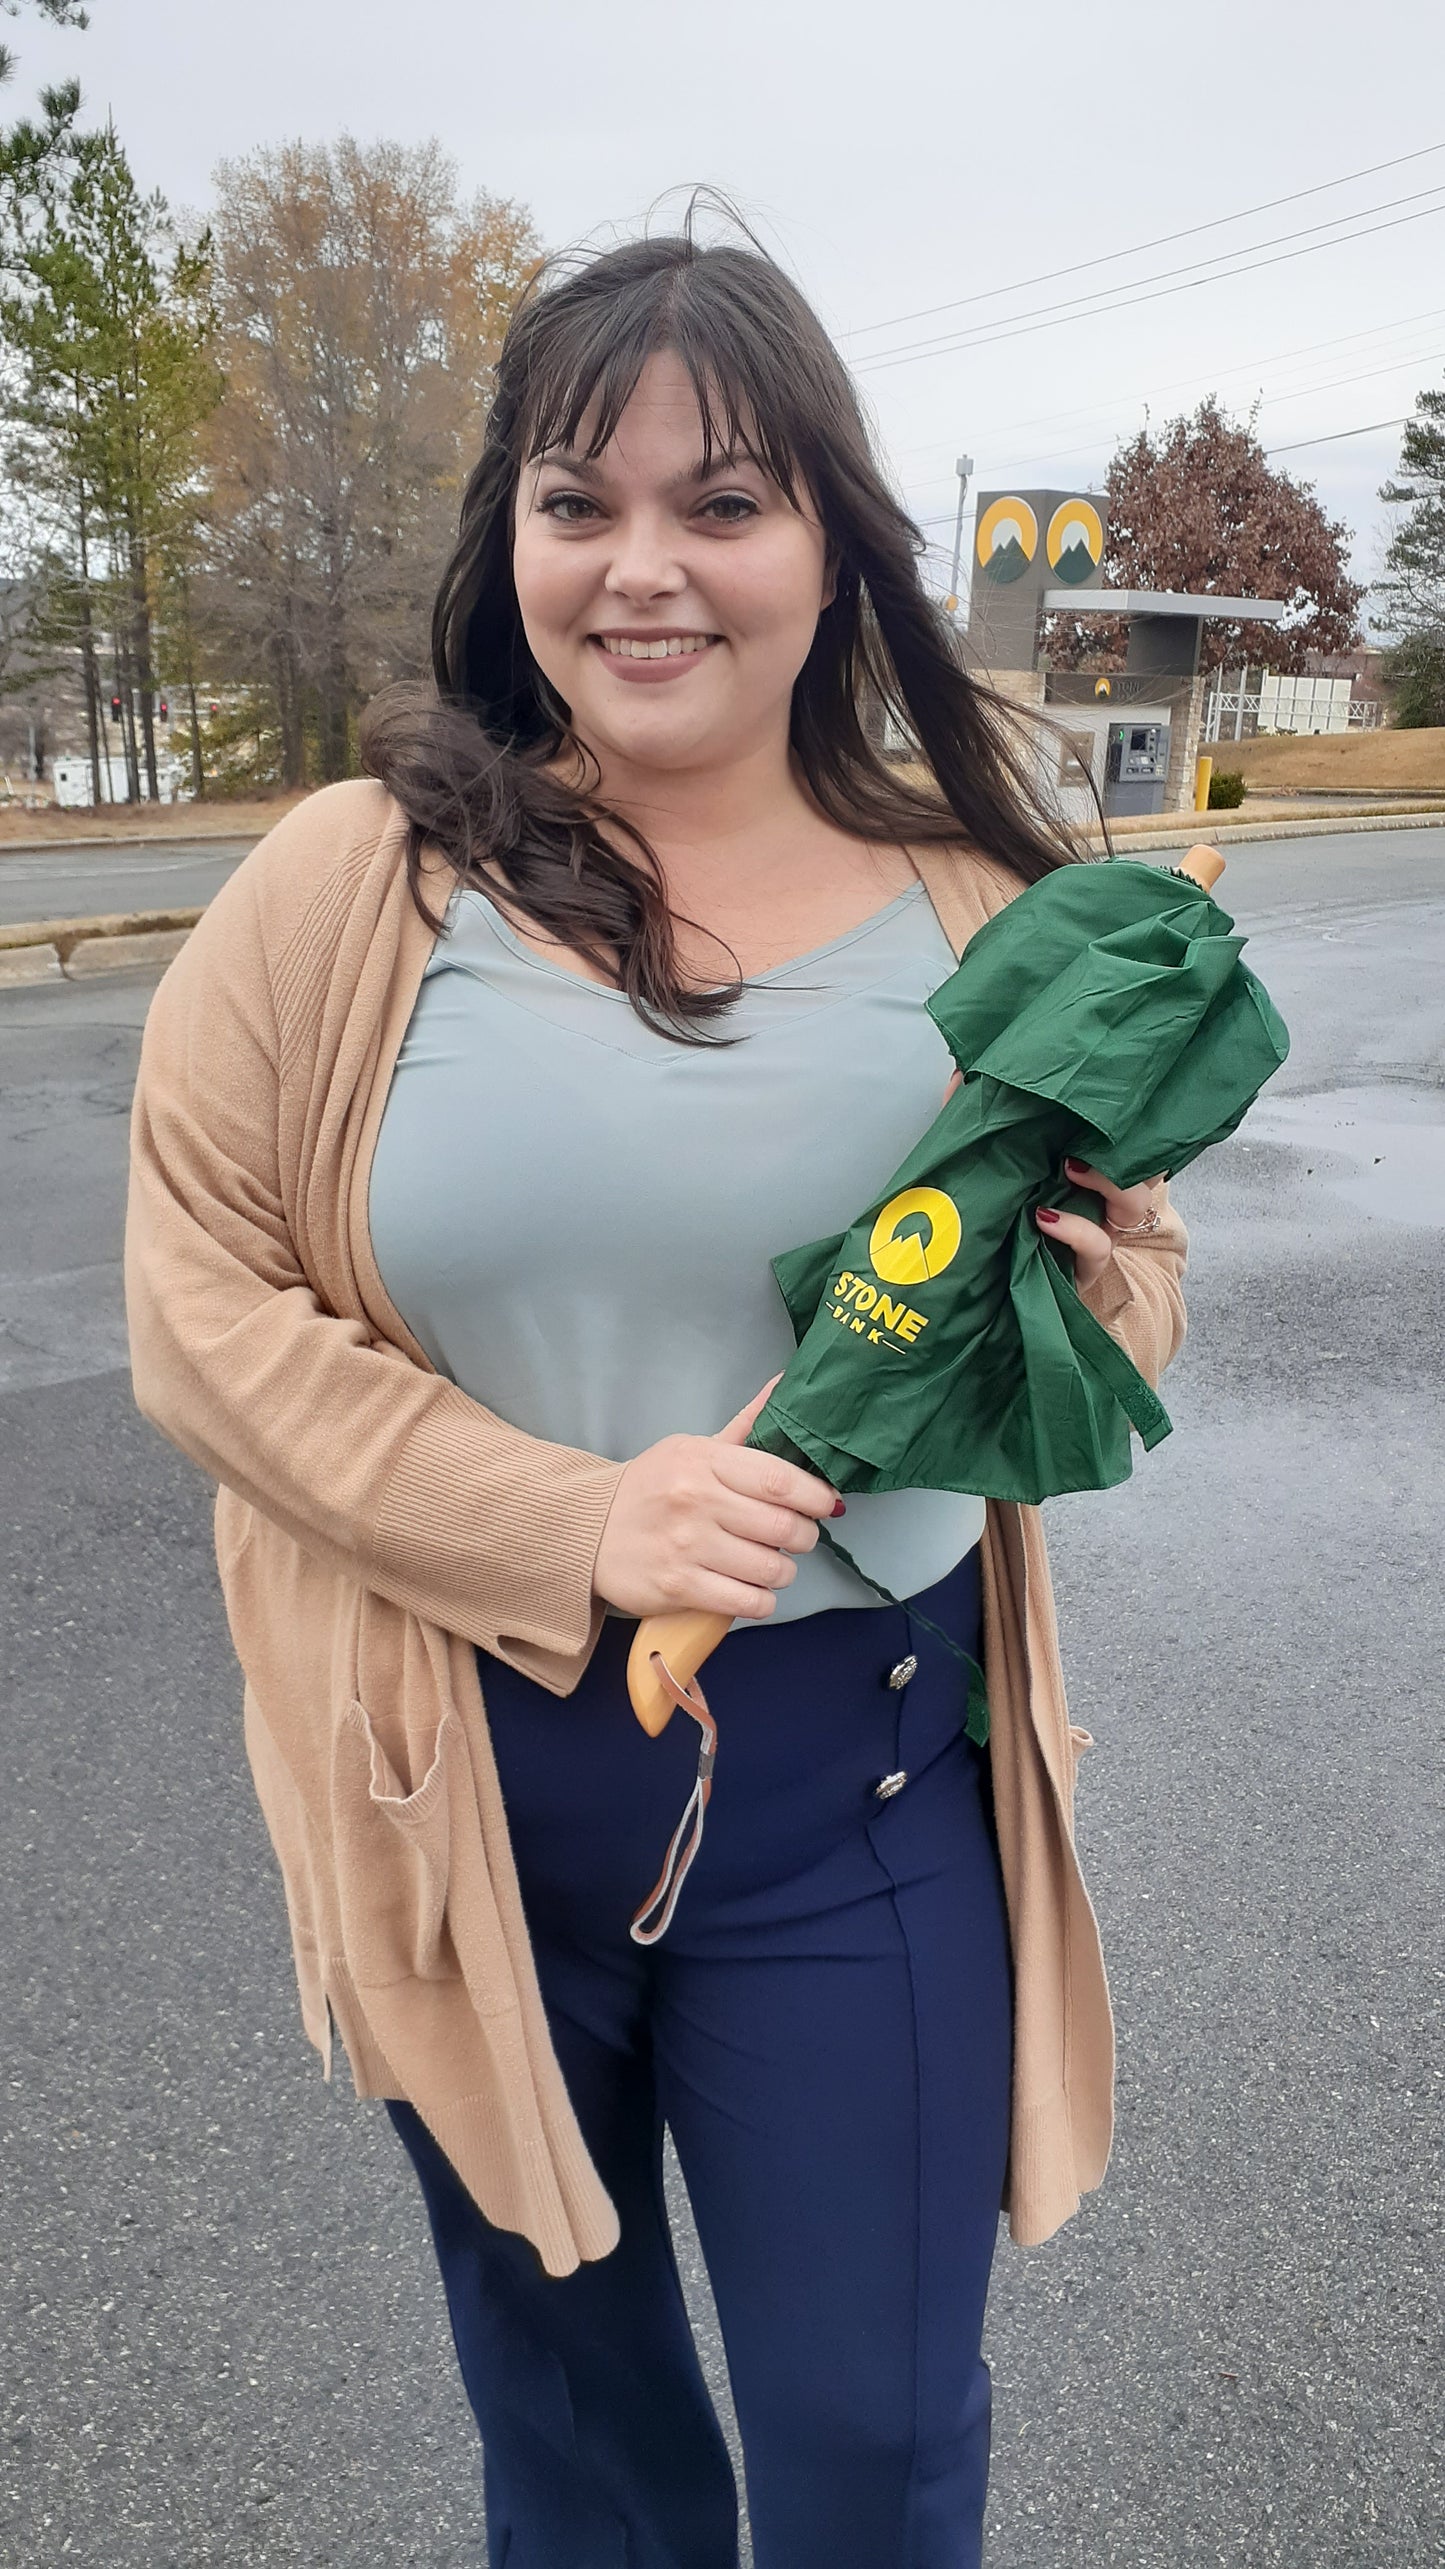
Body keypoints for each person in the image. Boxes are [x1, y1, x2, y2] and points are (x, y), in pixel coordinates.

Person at [125, 206, 1187, 2569]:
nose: (644, 570)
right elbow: (198, 1310)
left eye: (723, 501)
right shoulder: (346, 891)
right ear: (507, 531)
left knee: (869, 2446)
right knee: (583, 2449)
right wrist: (566, 1521)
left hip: (860, 1769)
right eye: (577, 500)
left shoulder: (983, 903)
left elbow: (1111, 1333)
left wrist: (1097, 1310)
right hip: (465, 1783)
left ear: (831, 538)